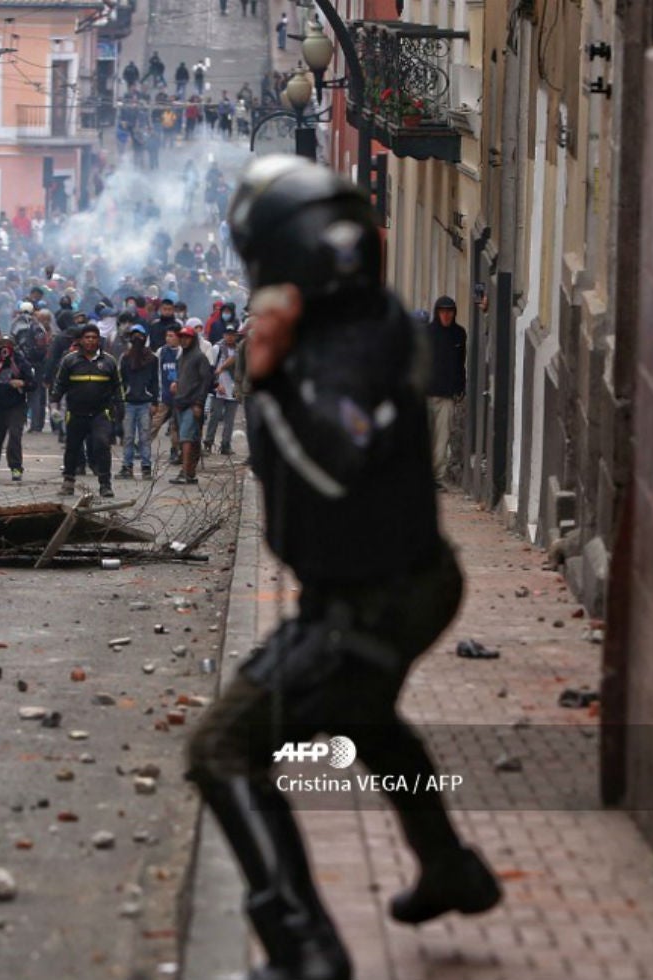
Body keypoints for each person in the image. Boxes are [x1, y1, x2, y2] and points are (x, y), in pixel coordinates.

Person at [186, 155, 501, 980]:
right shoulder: (357, 322)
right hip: (393, 582)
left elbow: (335, 460)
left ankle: (305, 948)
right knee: (365, 715)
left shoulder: (345, 348)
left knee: (223, 749)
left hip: (378, 597)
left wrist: (270, 381)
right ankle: (449, 867)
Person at [51, 323, 123, 498]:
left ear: (99, 340)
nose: (91, 341)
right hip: (76, 413)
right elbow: (59, 385)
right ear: (81, 340)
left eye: (94, 337)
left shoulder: (109, 361)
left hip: (100, 414)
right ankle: (68, 482)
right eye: (87, 337)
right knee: (72, 448)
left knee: (102, 445)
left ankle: (105, 484)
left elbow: (117, 388)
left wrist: (119, 413)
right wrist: (54, 406)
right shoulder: (69, 361)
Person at [0, 335, 34, 482]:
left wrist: (22, 383)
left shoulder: (20, 362)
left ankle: (16, 467)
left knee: (15, 436)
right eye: (2, 344)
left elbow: (32, 383)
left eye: (8, 344)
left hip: (17, 405)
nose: (5, 348)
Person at [427, 295, 466, 485]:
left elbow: (461, 364)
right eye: (442, 312)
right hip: (426, 394)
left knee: (443, 438)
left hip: (447, 396)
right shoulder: (427, 333)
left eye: (450, 312)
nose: (446, 316)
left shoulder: (459, 334)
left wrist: (460, 387)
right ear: (437, 312)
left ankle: (436, 477)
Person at [168, 324, 213, 484]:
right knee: (188, 439)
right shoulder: (182, 357)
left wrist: (199, 403)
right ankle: (190, 472)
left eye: (187, 337)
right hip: (180, 401)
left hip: (192, 404)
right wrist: (176, 383)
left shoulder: (199, 357)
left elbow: (206, 381)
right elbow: (185, 377)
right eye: (182, 337)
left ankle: (185, 472)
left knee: (187, 438)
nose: (184, 340)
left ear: (193, 339)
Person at [117, 324, 159, 480]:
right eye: (134, 335)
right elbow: (121, 381)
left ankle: (146, 467)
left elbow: (155, 381)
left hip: (145, 402)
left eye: (140, 336)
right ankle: (127, 467)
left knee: (144, 437)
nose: (137, 339)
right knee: (128, 437)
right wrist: (120, 399)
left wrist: (155, 401)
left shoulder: (152, 359)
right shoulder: (126, 358)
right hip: (129, 402)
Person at [203, 326, 241, 456]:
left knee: (230, 421)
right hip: (219, 389)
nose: (230, 337)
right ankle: (208, 443)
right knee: (214, 417)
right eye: (227, 334)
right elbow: (211, 368)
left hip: (233, 389)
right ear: (224, 335)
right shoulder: (217, 348)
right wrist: (216, 384)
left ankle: (226, 445)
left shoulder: (239, 350)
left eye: (232, 334)